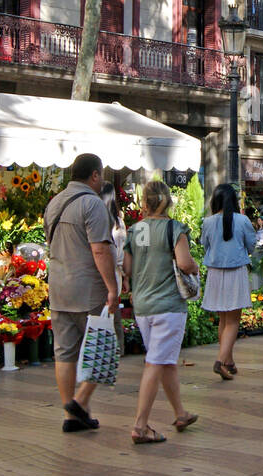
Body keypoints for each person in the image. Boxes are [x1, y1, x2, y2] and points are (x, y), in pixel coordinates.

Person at [44, 155, 121, 432]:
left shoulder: (54, 203)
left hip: (59, 288)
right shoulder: (93, 204)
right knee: (108, 346)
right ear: (95, 175)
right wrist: (113, 288)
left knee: (64, 353)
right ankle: (79, 400)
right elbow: (99, 249)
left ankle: (72, 416)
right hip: (89, 290)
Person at [123, 181, 200, 444]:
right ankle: (140, 425)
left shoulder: (134, 230)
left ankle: (180, 413)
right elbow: (184, 263)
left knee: (165, 361)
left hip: (143, 306)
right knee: (155, 363)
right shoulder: (174, 228)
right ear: (167, 200)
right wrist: (196, 267)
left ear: (145, 201)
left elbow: (128, 268)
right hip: (167, 305)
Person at [201, 183, 257, 380]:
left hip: (215, 273)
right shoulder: (243, 220)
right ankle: (220, 360)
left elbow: (204, 244)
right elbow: (251, 245)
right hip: (236, 272)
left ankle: (228, 362)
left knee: (224, 320)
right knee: (233, 321)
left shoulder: (207, 222)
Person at [100, 182, 127, 355]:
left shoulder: (98, 219)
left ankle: (104, 348)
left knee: (103, 310)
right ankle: (118, 348)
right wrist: (124, 274)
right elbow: (121, 251)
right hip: (115, 272)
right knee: (113, 310)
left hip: (100, 270)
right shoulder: (118, 222)